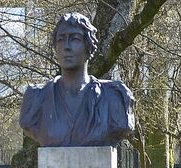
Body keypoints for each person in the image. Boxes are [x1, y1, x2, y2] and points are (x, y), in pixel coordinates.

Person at [19, 12, 134, 147]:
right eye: (61, 39)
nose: (66, 46)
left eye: (75, 39)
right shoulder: (36, 98)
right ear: (55, 46)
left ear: (89, 46)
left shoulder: (114, 97)